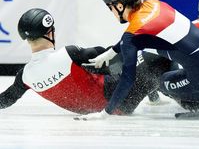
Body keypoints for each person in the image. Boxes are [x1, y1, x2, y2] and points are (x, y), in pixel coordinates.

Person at [0, 8, 162, 115]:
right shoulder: (68, 54)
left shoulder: (25, 76)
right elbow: (111, 57)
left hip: (104, 109)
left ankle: (154, 94)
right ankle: (174, 98)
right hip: (120, 100)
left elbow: (6, 99)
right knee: (153, 54)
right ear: (50, 33)